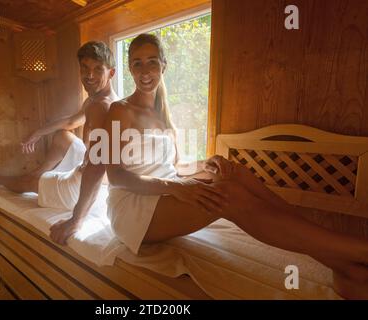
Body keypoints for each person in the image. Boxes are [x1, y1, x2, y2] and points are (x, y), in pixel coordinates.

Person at [102, 33, 368, 299]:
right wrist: (177, 187)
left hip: (164, 194)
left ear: (164, 65)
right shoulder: (119, 110)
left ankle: (342, 265)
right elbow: (115, 176)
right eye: (137, 63)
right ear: (129, 68)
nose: (145, 71)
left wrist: (206, 164)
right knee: (227, 194)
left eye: (151, 62)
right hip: (132, 208)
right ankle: (357, 250)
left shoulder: (163, 114)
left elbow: (175, 165)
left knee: (232, 172)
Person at [0, 41, 119, 243]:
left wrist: (76, 220)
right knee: (62, 136)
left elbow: (98, 167)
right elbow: (72, 121)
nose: (89, 76)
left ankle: (2, 178)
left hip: (86, 181)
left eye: (98, 69)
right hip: (88, 165)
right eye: (85, 68)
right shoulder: (95, 100)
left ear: (111, 73)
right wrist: (38, 132)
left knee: (29, 183)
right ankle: (41, 174)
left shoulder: (102, 107)